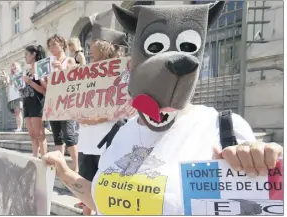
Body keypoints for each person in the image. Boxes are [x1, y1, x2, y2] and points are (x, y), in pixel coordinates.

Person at [43, 3, 284, 216]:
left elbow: (255, 203)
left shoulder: (223, 129)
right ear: (131, 66)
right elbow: (102, 201)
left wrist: (261, 165)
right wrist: (64, 172)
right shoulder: (119, 133)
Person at [75, 22, 129, 215]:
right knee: (86, 179)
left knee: (107, 181)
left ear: (103, 46)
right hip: (87, 138)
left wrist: (95, 119)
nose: (89, 48)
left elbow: (123, 105)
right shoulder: (87, 72)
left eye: (93, 44)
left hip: (109, 136)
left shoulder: (122, 72)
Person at [46, 34, 79, 172]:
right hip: (53, 102)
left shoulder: (69, 60)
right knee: (57, 136)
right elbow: (47, 84)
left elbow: (75, 80)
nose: (51, 48)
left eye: (54, 44)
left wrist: (61, 70)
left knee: (69, 135)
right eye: (50, 46)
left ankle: (77, 167)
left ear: (62, 44)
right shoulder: (49, 63)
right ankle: (61, 166)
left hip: (66, 102)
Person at [21, 45, 47, 158]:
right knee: (32, 135)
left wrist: (30, 82)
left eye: (26, 54)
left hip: (37, 103)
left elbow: (44, 90)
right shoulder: (27, 72)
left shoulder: (41, 69)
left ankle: (44, 158)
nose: (25, 57)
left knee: (40, 134)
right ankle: (35, 157)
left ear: (33, 54)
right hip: (27, 104)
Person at [8, 62, 24, 132]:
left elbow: (21, 84)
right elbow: (10, 86)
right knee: (16, 112)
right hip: (13, 96)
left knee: (18, 111)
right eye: (12, 66)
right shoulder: (12, 76)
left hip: (18, 95)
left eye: (14, 66)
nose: (13, 67)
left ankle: (20, 127)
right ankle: (18, 127)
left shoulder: (20, 74)